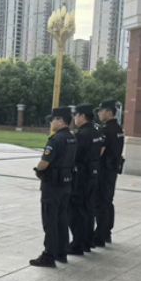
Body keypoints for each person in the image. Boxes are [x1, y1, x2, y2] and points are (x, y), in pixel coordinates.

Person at [30, 107, 78, 268]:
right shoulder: (72, 138)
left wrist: (38, 170)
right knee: (61, 219)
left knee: (50, 221)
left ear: (61, 121)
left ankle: (49, 255)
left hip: (52, 185)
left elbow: (44, 163)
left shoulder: (56, 140)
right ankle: (61, 253)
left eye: (53, 120)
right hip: (66, 183)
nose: (51, 123)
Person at [68, 104, 105, 256]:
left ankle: (78, 243)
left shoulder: (82, 135)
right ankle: (88, 241)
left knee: (77, 211)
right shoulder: (96, 132)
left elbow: (74, 156)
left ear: (82, 116)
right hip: (93, 173)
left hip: (81, 176)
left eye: (76, 115)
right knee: (88, 209)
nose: (74, 119)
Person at [93, 99, 125, 248]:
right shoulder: (118, 129)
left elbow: (100, 152)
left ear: (109, 112)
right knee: (107, 201)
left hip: (104, 170)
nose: (99, 113)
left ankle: (100, 234)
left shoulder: (107, 131)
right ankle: (106, 232)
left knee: (100, 202)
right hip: (112, 169)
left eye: (101, 110)